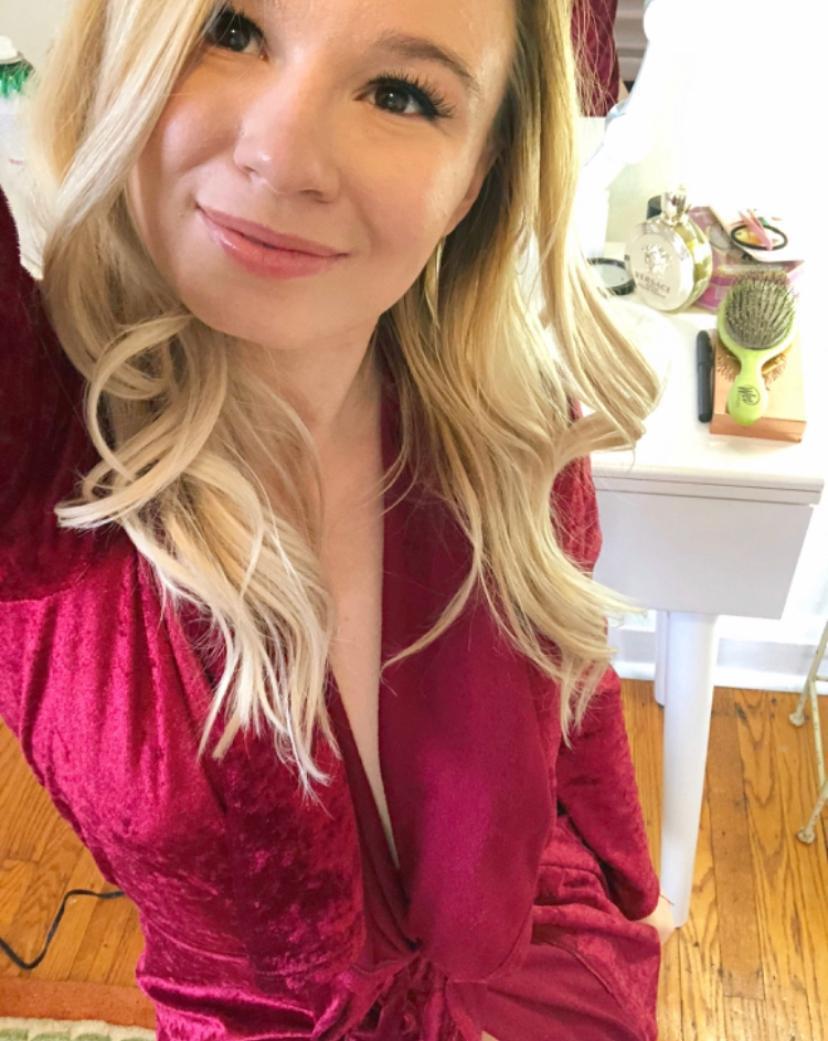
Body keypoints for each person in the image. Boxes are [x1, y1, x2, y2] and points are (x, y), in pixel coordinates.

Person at [0, 0, 674, 1038]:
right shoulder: (45, 463)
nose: (281, 158)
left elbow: (577, 695)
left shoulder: (519, 432)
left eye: (401, 94)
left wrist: (636, 896)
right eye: (231, 29)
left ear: (476, 178)